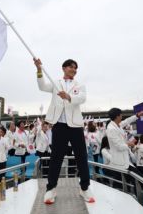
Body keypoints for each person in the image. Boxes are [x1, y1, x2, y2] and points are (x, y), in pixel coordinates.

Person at [34, 58, 94, 204]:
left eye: (76, 68)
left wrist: (68, 96)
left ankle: (84, 188)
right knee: (56, 157)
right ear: (64, 68)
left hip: (75, 126)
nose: (74, 70)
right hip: (59, 125)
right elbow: (42, 86)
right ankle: (51, 189)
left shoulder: (79, 85)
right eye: (72, 67)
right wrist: (39, 69)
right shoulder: (56, 83)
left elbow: (82, 98)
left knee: (81, 157)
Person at [105, 108, 143, 193]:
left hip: (125, 160)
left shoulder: (117, 125)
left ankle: (137, 195)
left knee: (126, 182)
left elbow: (127, 121)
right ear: (117, 116)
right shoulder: (111, 129)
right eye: (121, 115)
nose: (122, 116)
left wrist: (137, 115)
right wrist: (129, 144)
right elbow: (119, 146)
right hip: (120, 161)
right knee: (127, 182)